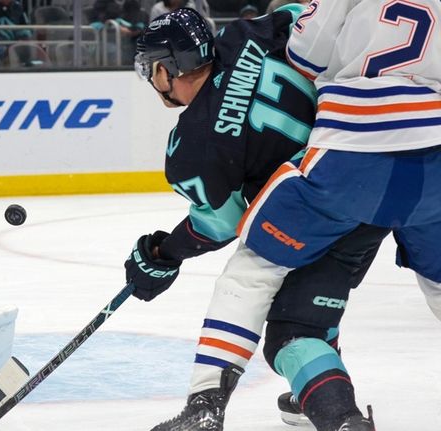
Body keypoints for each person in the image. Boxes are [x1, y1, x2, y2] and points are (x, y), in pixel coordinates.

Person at [128, 7, 390, 430]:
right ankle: (334, 408)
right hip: (371, 179)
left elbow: (221, 223)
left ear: (166, 69)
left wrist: (165, 252)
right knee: (301, 318)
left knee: (254, 287)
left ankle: (204, 407)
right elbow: (310, 17)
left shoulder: (192, 145)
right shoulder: (249, 34)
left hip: (310, 199)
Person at [198, 0, 441, 429]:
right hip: (435, 156)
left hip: (350, 153)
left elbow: (305, 53)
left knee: (253, 268)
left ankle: (204, 403)